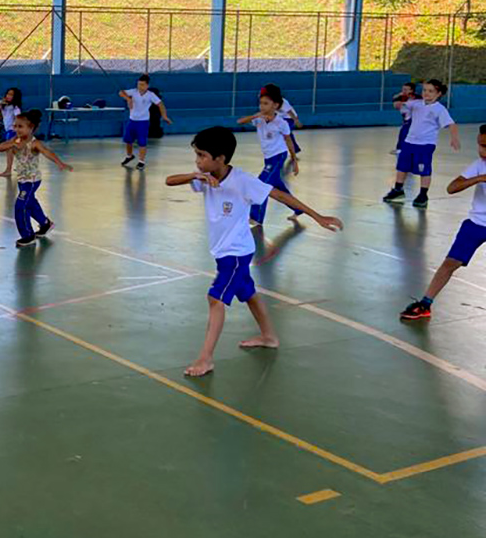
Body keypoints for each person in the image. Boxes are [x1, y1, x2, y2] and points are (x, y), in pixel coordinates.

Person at [166, 126, 342, 378]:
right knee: (247, 292)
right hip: (222, 251)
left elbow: (280, 195)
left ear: (221, 158)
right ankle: (269, 336)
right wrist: (196, 176)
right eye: (196, 155)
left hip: (236, 254)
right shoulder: (204, 177)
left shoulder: (243, 181)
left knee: (215, 299)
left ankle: (205, 359)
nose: (197, 161)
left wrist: (317, 216)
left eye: (202, 156)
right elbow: (169, 180)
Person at [400, 124, 486, 321]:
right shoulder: (478, 165)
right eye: (479, 145)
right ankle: (425, 304)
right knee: (449, 263)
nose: (481, 150)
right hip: (476, 223)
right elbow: (451, 188)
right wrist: (479, 178)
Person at [0, 109, 73, 247]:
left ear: (31, 128)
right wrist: (12, 144)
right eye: (15, 126)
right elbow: (0, 147)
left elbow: (47, 152)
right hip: (21, 180)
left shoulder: (34, 143)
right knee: (30, 203)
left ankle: (27, 235)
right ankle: (45, 224)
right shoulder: (15, 139)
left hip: (31, 181)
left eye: (20, 126)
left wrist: (59, 163)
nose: (17, 129)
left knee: (20, 206)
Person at [384, 78, 460, 209]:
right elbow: (398, 105)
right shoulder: (417, 104)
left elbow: (451, 124)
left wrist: (454, 138)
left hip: (425, 145)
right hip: (409, 142)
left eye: (431, 91)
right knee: (402, 167)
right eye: (425, 90)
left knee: (424, 170)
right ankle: (398, 190)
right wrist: (402, 98)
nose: (426, 93)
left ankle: (423, 194)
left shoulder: (439, 109)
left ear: (438, 94)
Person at [237, 83, 302, 227]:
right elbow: (240, 121)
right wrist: (257, 115)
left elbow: (289, 140)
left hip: (278, 157)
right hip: (268, 158)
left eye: (266, 103)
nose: (262, 106)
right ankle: (297, 208)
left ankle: (256, 218)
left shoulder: (281, 123)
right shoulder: (259, 119)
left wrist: (294, 160)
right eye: (261, 103)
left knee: (260, 185)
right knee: (278, 188)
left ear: (276, 105)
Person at [119, 73, 172, 170]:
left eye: (142, 85)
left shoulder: (151, 95)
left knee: (142, 142)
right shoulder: (133, 92)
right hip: (132, 121)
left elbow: (160, 105)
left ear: (147, 85)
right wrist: (128, 99)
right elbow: (121, 92)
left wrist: (164, 116)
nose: (140, 86)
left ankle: (141, 161)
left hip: (143, 122)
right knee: (128, 140)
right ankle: (129, 156)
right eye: (138, 84)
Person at [0, 87, 23, 178]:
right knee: (15, 150)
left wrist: (16, 129)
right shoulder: (4, 106)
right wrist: (0, 103)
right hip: (7, 130)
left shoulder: (15, 107)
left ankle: (8, 170)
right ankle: (21, 167)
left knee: (9, 150)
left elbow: (18, 118)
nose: (9, 96)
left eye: (11, 95)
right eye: (8, 94)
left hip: (12, 131)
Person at [392, 81, 418, 155]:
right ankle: (401, 149)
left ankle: (402, 149)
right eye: (403, 89)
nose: (404, 91)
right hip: (406, 119)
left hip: (414, 119)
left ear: (412, 90)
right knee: (403, 133)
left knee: (405, 133)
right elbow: (396, 106)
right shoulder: (399, 97)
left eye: (406, 89)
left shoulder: (418, 98)